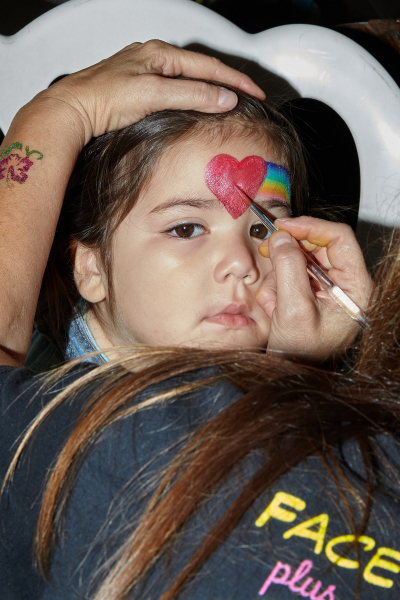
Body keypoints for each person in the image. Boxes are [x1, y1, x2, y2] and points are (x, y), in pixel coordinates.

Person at [0, 40, 391, 600]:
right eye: (186, 229)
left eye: (262, 231)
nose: (242, 265)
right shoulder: (61, 431)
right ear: (92, 269)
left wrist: (292, 370)